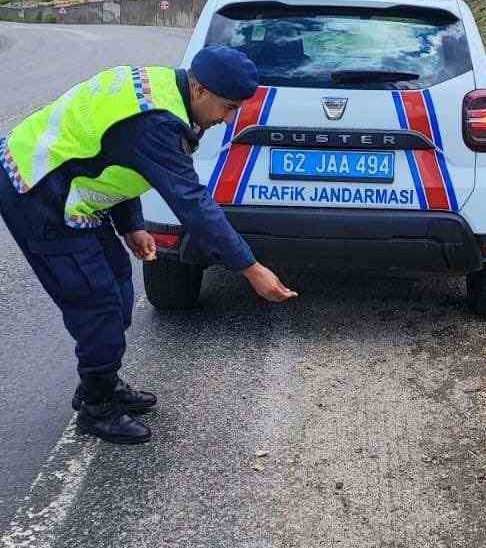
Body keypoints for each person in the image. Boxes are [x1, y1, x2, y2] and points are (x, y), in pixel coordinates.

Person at [0, 46, 297, 445]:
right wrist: (251, 269)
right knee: (97, 301)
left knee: (120, 285)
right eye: (227, 108)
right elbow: (194, 205)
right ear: (200, 89)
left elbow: (118, 154)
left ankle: (99, 382)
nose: (227, 120)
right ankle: (97, 409)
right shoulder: (158, 121)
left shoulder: (164, 90)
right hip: (40, 192)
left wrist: (132, 226)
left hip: (73, 188)